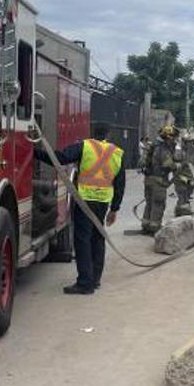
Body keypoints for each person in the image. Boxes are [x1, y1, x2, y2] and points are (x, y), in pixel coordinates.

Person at [34, 123, 125, 295]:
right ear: (109, 134)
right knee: (98, 238)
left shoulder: (85, 146)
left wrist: (35, 152)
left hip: (85, 201)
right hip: (102, 202)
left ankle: (85, 283)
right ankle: (95, 279)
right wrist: (115, 209)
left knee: (82, 241)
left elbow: (60, 158)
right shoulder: (117, 152)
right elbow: (120, 184)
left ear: (92, 132)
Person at [140, 125, 177, 234]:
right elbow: (167, 164)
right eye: (174, 137)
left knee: (149, 203)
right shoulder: (163, 148)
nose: (174, 139)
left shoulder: (154, 146)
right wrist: (177, 166)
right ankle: (154, 227)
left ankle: (146, 225)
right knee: (158, 204)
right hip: (158, 180)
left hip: (148, 179)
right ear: (169, 137)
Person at [173, 132, 194, 216]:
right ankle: (183, 213)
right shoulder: (179, 153)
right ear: (184, 143)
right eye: (189, 142)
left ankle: (180, 211)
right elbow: (174, 165)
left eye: (192, 142)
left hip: (191, 180)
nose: (191, 144)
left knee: (187, 196)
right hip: (181, 180)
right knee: (183, 196)